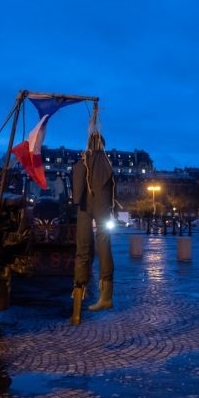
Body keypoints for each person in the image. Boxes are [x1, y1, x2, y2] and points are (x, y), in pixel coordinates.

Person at [70, 131, 116, 325]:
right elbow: (114, 190)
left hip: (85, 208)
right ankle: (106, 296)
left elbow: (77, 189)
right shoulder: (107, 164)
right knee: (104, 245)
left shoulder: (83, 162)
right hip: (103, 207)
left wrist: (77, 199)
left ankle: (78, 302)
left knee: (83, 250)